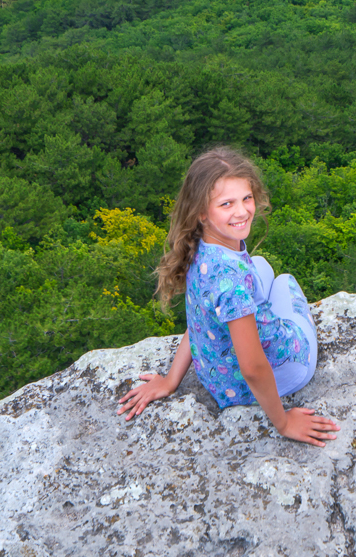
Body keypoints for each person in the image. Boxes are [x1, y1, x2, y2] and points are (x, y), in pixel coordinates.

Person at [116, 146, 340, 447]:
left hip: (218, 379)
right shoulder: (231, 286)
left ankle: (257, 311)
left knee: (259, 264)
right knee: (284, 280)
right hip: (279, 372)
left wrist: (170, 382)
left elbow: (199, 321)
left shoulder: (200, 249)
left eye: (246, 198)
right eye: (226, 204)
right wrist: (284, 423)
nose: (242, 211)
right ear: (202, 212)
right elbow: (253, 368)